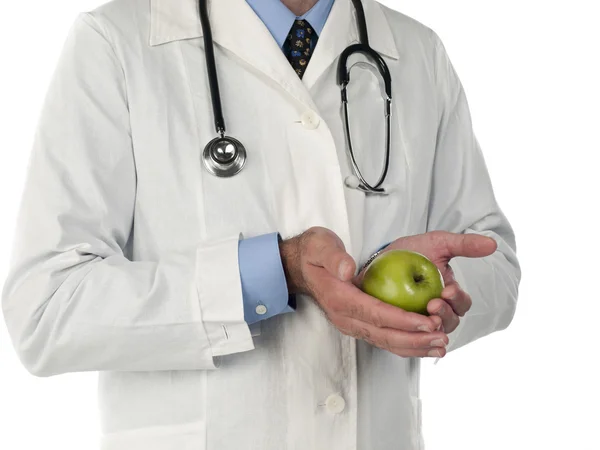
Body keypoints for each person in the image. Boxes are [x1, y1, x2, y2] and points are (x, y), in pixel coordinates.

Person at [1, 0, 521, 448]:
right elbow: (46, 308)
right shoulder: (118, 42)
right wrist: (275, 270)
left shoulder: (417, 52)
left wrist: (435, 294)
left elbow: (492, 258)